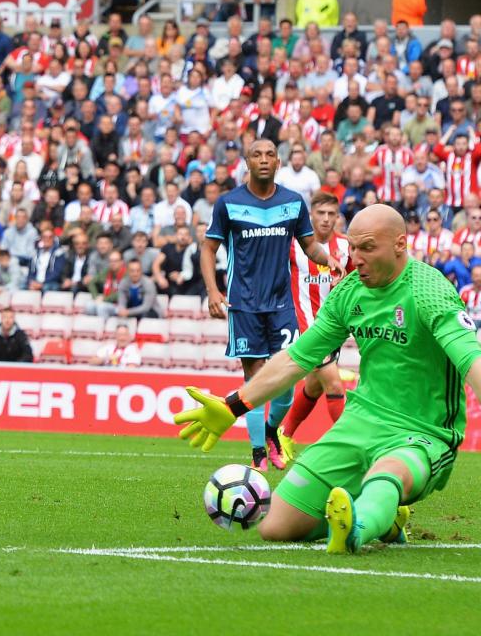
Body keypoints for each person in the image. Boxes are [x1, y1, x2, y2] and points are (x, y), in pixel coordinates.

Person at [175, 204, 481, 555]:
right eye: (352, 247)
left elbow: (471, 359)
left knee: (388, 472)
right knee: (276, 527)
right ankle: (386, 516)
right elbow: (295, 359)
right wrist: (234, 406)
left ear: (400, 244)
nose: (356, 257)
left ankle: (359, 527)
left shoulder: (429, 291)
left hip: (423, 432)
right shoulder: (348, 292)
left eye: (367, 247)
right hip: (360, 424)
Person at [202, 139, 345, 472]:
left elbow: (309, 245)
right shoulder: (228, 203)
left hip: (282, 305)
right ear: (247, 162)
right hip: (244, 304)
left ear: (278, 162)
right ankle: (257, 453)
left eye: (269, 155)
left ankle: (270, 433)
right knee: (254, 380)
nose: (263, 160)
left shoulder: (293, 203)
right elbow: (208, 248)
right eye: (256, 154)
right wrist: (213, 290)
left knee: (284, 380)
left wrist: (330, 261)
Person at [278, 192, 352, 459]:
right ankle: (349, 446)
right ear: (311, 215)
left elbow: (357, 281)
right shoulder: (293, 245)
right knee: (333, 384)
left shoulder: (346, 247)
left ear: (338, 216)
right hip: (305, 327)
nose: (326, 219)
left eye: (332, 214)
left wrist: (344, 283)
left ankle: (284, 434)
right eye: (321, 213)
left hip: (334, 329)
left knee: (313, 386)